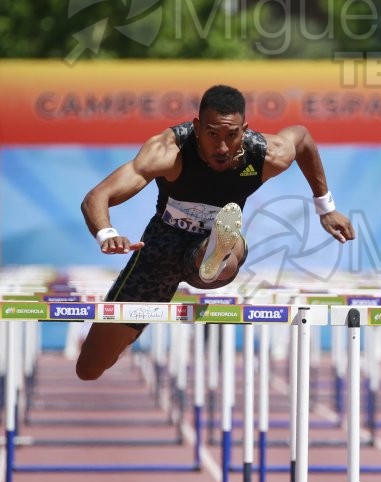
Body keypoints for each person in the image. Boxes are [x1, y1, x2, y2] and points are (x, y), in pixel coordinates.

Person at [78, 85, 356, 381]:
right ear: (197, 128)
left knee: (226, 251)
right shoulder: (168, 152)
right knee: (90, 368)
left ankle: (216, 252)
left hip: (218, 243)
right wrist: (106, 234)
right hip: (163, 243)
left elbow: (301, 138)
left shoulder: (263, 154)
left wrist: (325, 207)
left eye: (232, 135)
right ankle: (137, 327)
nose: (222, 147)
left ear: (244, 129)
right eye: (212, 134)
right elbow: (97, 197)